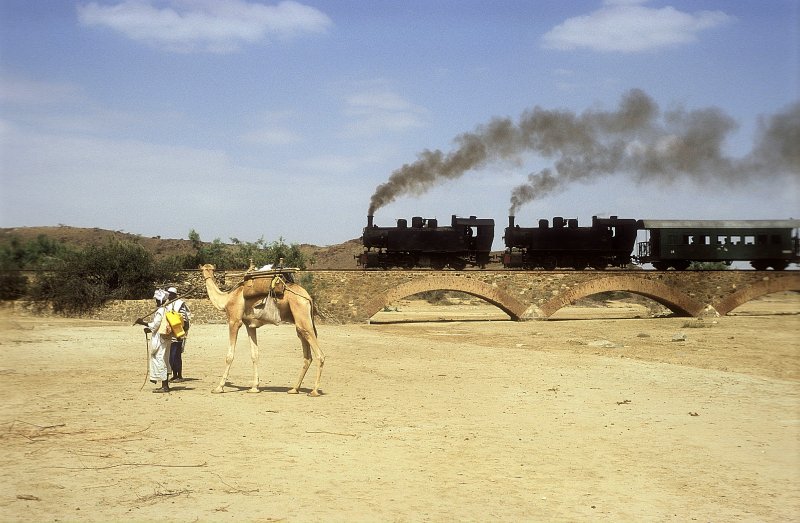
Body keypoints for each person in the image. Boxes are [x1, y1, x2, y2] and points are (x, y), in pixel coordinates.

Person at [135, 289, 172, 393]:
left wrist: (143, 323)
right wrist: (149, 328)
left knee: (161, 360)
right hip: (166, 338)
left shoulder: (161, 310)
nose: (156, 302)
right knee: (164, 359)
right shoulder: (167, 309)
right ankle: (165, 384)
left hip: (161, 339)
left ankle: (165, 386)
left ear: (160, 300)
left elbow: (155, 325)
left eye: (156, 300)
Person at [165, 286, 191, 382]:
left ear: (174, 295)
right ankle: (174, 375)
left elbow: (184, 319)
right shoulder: (167, 304)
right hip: (169, 333)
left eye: (170, 294)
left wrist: (181, 334)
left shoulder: (180, 304)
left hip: (178, 333)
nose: (169, 295)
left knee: (176, 355)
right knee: (171, 354)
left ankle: (179, 375)